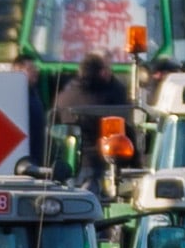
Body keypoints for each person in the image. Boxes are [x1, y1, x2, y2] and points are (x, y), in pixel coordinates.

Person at [43, 48, 127, 182]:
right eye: (105, 69)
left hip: (66, 164)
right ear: (101, 72)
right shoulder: (105, 100)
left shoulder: (64, 97)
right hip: (98, 165)